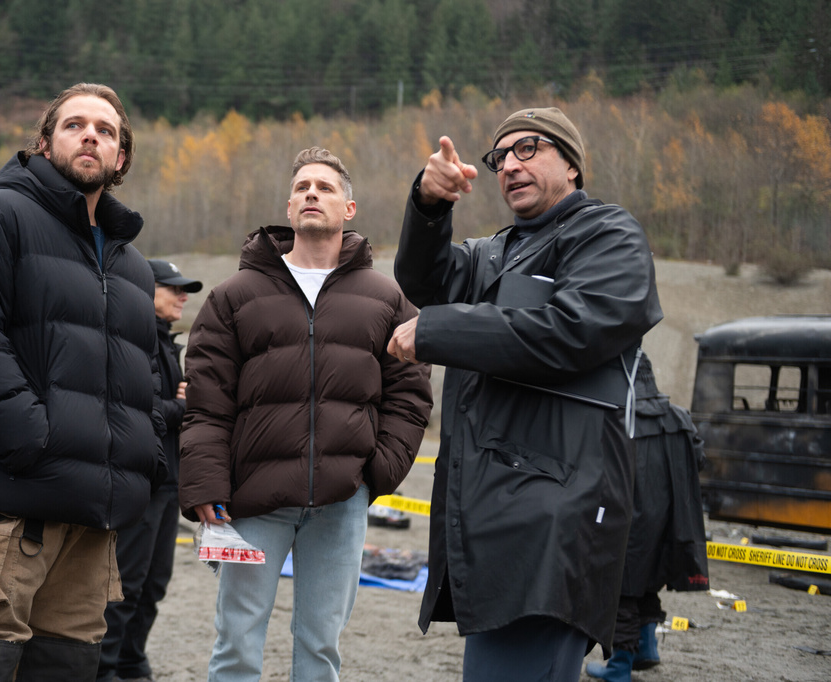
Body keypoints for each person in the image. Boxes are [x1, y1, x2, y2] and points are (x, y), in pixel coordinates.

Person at [388, 107, 664, 682]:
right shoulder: (494, 251)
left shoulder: (608, 235)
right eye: (499, 157)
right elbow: (424, 280)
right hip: (494, 517)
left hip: (551, 519)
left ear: (572, 163)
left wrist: (440, 331)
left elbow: (572, 330)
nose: (509, 165)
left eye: (528, 149)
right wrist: (429, 205)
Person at [0, 83, 166, 681]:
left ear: (121, 158)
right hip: (3, 510)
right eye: (74, 125)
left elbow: (145, 379)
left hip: (87, 527)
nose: (90, 136)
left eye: (106, 131)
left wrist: (142, 458)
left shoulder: (131, 265)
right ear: (43, 143)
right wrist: (31, 437)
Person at [179, 147, 433, 681]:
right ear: (289, 207)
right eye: (301, 187)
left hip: (342, 501)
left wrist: (376, 472)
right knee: (236, 644)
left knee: (321, 650)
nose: (311, 193)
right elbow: (207, 403)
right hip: (253, 502)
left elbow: (410, 393)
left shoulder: (387, 299)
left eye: (324, 186)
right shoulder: (234, 297)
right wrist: (205, 484)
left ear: (349, 209)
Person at [97, 259, 202, 682]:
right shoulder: (131, 339)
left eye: (185, 289)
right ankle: (104, 670)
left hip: (168, 481)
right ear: (145, 290)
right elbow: (135, 408)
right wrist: (183, 405)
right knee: (126, 586)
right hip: (139, 480)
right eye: (172, 288)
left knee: (153, 584)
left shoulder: (166, 342)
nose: (183, 296)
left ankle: (130, 662)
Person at [586, 353, 709, 682]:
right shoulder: (680, 419)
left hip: (629, 524)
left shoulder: (615, 419)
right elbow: (698, 460)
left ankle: (619, 667)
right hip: (671, 525)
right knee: (649, 581)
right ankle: (648, 647)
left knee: (622, 592)